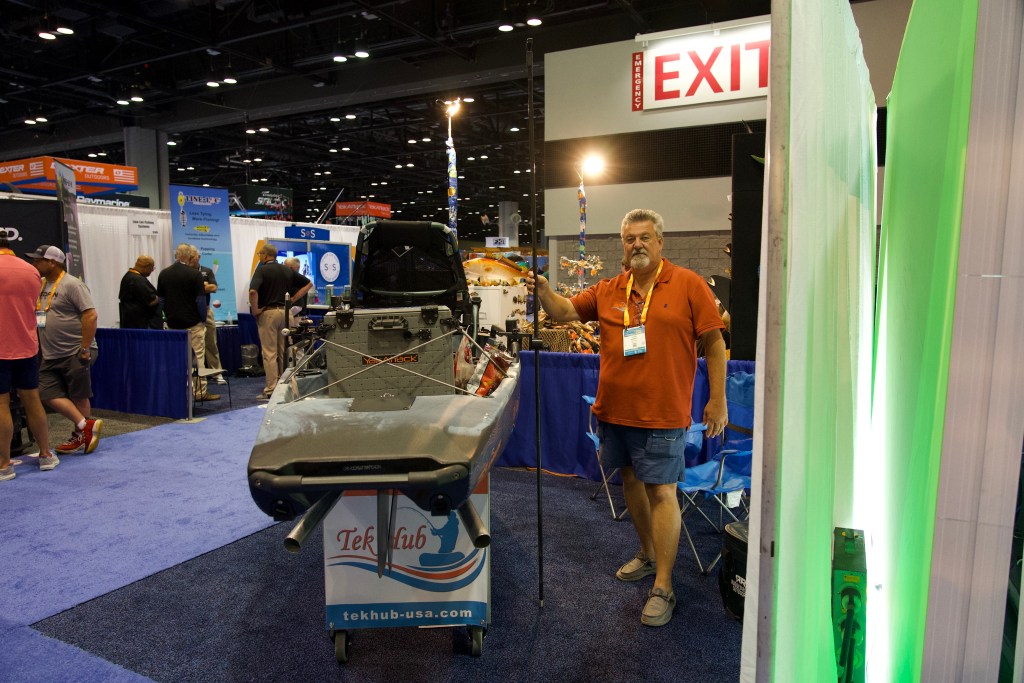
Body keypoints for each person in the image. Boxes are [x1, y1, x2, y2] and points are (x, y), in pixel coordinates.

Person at [526, 208, 728, 627]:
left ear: (660, 242)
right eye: (630, 238)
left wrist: (718, 400)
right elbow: (564, 312)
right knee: (631, 482)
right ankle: (649, 553)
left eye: (644, 237)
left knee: (663, 491)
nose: (637, 244)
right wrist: (543, 289)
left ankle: (665, 586)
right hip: (616, 411)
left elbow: (713, 342)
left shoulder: (688, 284)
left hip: (662, 413)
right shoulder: (610, 288)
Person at [26, 244, 104, 456]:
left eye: (38, 260)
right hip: (51, 353)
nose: (34, 263)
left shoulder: (72, 285)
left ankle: (81, 435)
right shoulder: (41, 284)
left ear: (52, 263)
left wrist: (85, 347)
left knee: (79, 396)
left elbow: (90, 315)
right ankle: (85, 425)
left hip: (75, 350)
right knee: (44, 392)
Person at [0, 237, 60, 480]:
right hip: (27, 345)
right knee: (32, 399)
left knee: (1, 404)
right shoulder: (31, 271)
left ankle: (4, 465)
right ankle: (45, 454)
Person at [248, 244, 311, 399]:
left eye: (260, 254)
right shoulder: (286, 270)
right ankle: (286, 387)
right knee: (285, 351)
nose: (259, 256)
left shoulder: (262, 270)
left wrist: (255, 310)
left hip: (269, 313)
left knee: (269, 353)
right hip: (286, 313)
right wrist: (293, 299)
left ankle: (271, 389)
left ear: (265, 255)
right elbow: (309, 284)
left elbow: (253, 291)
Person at [157, 243, 219, 401]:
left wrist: (165, 318)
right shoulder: (194, 274)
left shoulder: (164, 273)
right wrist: (202, 319)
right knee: (197, 358)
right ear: (189, 257)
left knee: (176, 358)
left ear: (176, 255)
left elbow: (161, 301)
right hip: (193, 322)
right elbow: (200, 300)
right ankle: (199, 392)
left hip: (173, 323)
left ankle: (177, 391)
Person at [194, 250, 226, 384]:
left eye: (194, 256)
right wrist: (204, 286)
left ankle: (216, 373)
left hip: (206, 310)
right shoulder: (186, 272)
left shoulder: (207, 271)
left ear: (198, 257)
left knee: (211, 342)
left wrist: (201, 287)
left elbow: (213, 288)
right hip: (191, 312)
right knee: (194, 347)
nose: (192, 258)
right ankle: (195, 376)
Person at [118, 255, 162, 329]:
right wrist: (158, 298)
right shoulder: (138, 280)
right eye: (152, 268)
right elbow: (151, 301)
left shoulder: (127, 276)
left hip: (129, 321)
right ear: (146, 267)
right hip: (141, 323)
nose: (152, 270)